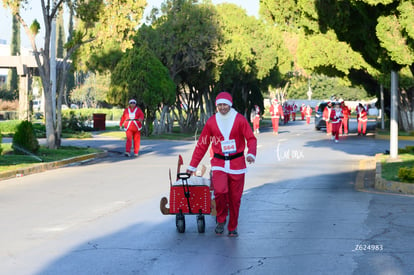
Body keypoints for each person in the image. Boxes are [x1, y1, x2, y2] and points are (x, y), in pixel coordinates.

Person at [186, 92, 257, 237]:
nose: (222, 107)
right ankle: (221, 219)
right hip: (218, 163)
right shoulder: (212, 122)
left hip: (237, 164)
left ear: (230, 105)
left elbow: (251, 139)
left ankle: (233, 227)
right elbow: (202, 145)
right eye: (220, 105)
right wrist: (192, 166)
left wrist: (251, 153)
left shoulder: (240, 120)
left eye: (225, 104)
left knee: (235, 198)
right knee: (219, 191)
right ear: (217, 106)